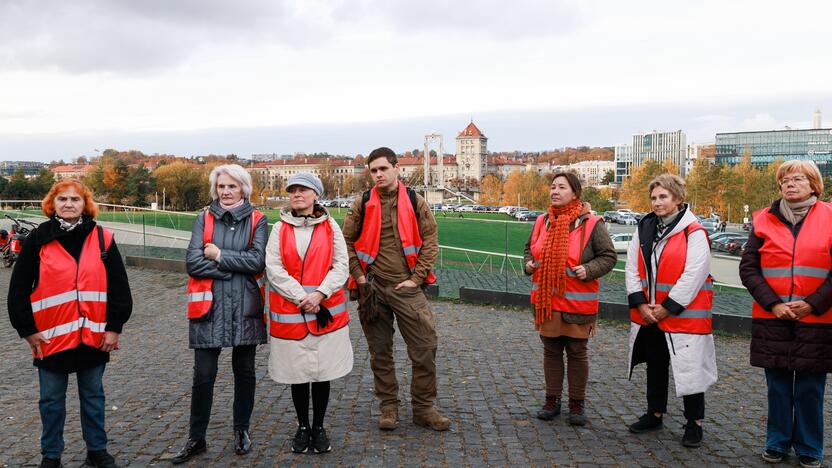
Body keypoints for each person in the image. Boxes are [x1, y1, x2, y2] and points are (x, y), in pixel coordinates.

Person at [7, 179, 132, 468]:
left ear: (85, 205)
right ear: (53, 204)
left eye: (75, 199)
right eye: (62, 199)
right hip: (50, 338)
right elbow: (18, 291)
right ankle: (51, 455)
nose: (68, 204)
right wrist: (27, 330)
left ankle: (97, 450)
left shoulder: (103, 239)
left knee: (93, 396)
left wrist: (114, 328)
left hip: (93, 337)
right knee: (50, 401)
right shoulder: (38, 239)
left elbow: (120, 289)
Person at [342, 147, 450, 431]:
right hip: (373, 288)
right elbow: (347, 243)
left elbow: (430, 241)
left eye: (382, 169)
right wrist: (360, 279)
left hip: (407, 288)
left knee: (425, 348)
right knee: (380, 352)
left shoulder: (415, 201)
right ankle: (388, 407)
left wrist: (416, 279)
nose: (378, 174)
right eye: (373, 170)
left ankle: (424, 408)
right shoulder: (362, 203)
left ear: (396, 168)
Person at [173, 164, 268, 464]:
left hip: (245, 307)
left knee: (245, 373)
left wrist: (218, 255)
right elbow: (193, 263)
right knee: (203, 375)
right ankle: (196, 436)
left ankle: (242, 430)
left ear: (244, 188)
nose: (226, 192)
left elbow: (257, 261)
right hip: (209, 308)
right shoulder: (203, 218)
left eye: (232, 187)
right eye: (222, 187)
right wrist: (230, 270)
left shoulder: (258, 220)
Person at [739, 160, 831, 467]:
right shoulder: (763, 220)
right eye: (784, 180)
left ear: (814, 185)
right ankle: (776, 442)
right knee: (777, 387)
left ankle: (809, 447)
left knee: (810, 388)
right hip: (772, 318)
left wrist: (812, 304)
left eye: (798, 179)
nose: (789, 184)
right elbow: (749, 268)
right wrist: (774, 304)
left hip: (817, 318)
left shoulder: (830, 217)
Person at [625, 174, 717, 448]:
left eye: (663, 197)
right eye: (654, 197)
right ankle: (655, 413)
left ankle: (694, 422)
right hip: (649, 314)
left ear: (678, 199)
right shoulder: (644, 228)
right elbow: (632, 268)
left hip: (683, 316)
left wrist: (666, 308)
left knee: (690, 371)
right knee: (655, 365)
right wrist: (641, 304)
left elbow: (694, 274)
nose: (657, 202)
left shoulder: (694, 232)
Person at [265, 173, 352, 454]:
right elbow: (274, 268)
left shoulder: (330, 227)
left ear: (315, 195)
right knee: (298, 374)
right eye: (292, 190)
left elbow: (341, 265)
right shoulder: (279, 228)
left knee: (321, 372)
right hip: (292, 315)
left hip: (324, 313)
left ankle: (319, 425)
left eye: (303, 190)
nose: (296, 194)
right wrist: (302, 296)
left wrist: (320, 294)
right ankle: (303, 426)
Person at [523, 172, 616, 425]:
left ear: (575, 193)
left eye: (561, 187)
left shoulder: (592, 223)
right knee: (551, 351)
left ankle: (577, 404)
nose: (555, 191)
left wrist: (589, 270)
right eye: (552, 186)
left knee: (576, 352)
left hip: (577, 303)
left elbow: (608, 256)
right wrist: (528, 264)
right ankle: (551, 400)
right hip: (547, 303)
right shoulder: (542, 221)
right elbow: (529, 248)